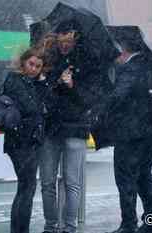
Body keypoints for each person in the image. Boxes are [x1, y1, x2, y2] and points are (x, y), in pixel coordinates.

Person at [100, 38, 152, 233]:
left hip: (130, 133)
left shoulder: (130, 68)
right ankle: (151, 223)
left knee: (125, 178)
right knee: (144, 176)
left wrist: (101, 105)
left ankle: (128, 224)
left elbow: (118, 96)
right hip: (151, 132)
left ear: (123, 49)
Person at [37, 23, 95, 233]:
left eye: (69, 41)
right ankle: (50, 226)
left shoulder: (87, 63)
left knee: (72, 182)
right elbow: (41, 96)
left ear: (75, 40)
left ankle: (69, 228)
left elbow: (89, 100)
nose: (65, 45)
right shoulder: (47, 62)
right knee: (47, 182)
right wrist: (55, 84)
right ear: (56, 39)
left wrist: (72, 87)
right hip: (51, 128)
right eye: (61, 41)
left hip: (75, 127)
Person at [3, 47, 47, 233]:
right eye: (31, 64)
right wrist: (42, 86)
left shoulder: (30, 83)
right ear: (23, 62)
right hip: (20, 141)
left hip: (29, 141)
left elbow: (43, 106)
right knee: (26, 188)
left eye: (38, 66)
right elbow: (32, 107)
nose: (34, 69)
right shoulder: (15, 80)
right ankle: (20, 230)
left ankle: (20, 229)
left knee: (26, 187)